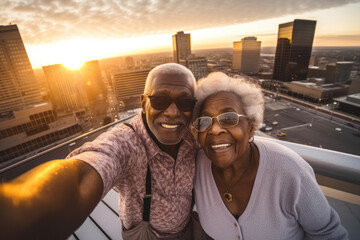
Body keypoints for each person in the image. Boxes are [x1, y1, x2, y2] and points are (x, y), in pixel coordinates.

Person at [0, 63, 200, 239]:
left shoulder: (194, 136)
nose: (173, 112)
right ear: (143, 104)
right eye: (160, 100)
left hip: (187, 230)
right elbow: (90, 168)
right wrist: (22, 211)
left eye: (184, 103)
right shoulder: (127, 143)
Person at [192, 72, 348, 240]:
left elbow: (330, 234)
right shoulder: (196, 167)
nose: (215, 129)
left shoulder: (289, 171)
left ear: (251, 127)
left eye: (229, 118)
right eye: (205, 121)